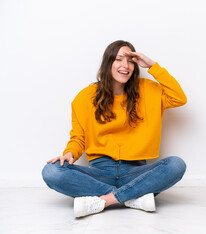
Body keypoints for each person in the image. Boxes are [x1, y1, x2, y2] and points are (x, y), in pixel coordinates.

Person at [42, 40, 187, 218]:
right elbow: (78, 138)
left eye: (130, 61)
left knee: (176, 165)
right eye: (119, 59)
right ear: (108, 63)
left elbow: (179, 98)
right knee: (51, 171)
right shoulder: (85, 97)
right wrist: (69, 154)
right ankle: (133, 197)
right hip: (99, 172)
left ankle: (107, 200)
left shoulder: (148, 90)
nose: (125, 66)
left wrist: (152, 66)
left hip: (136, 172)